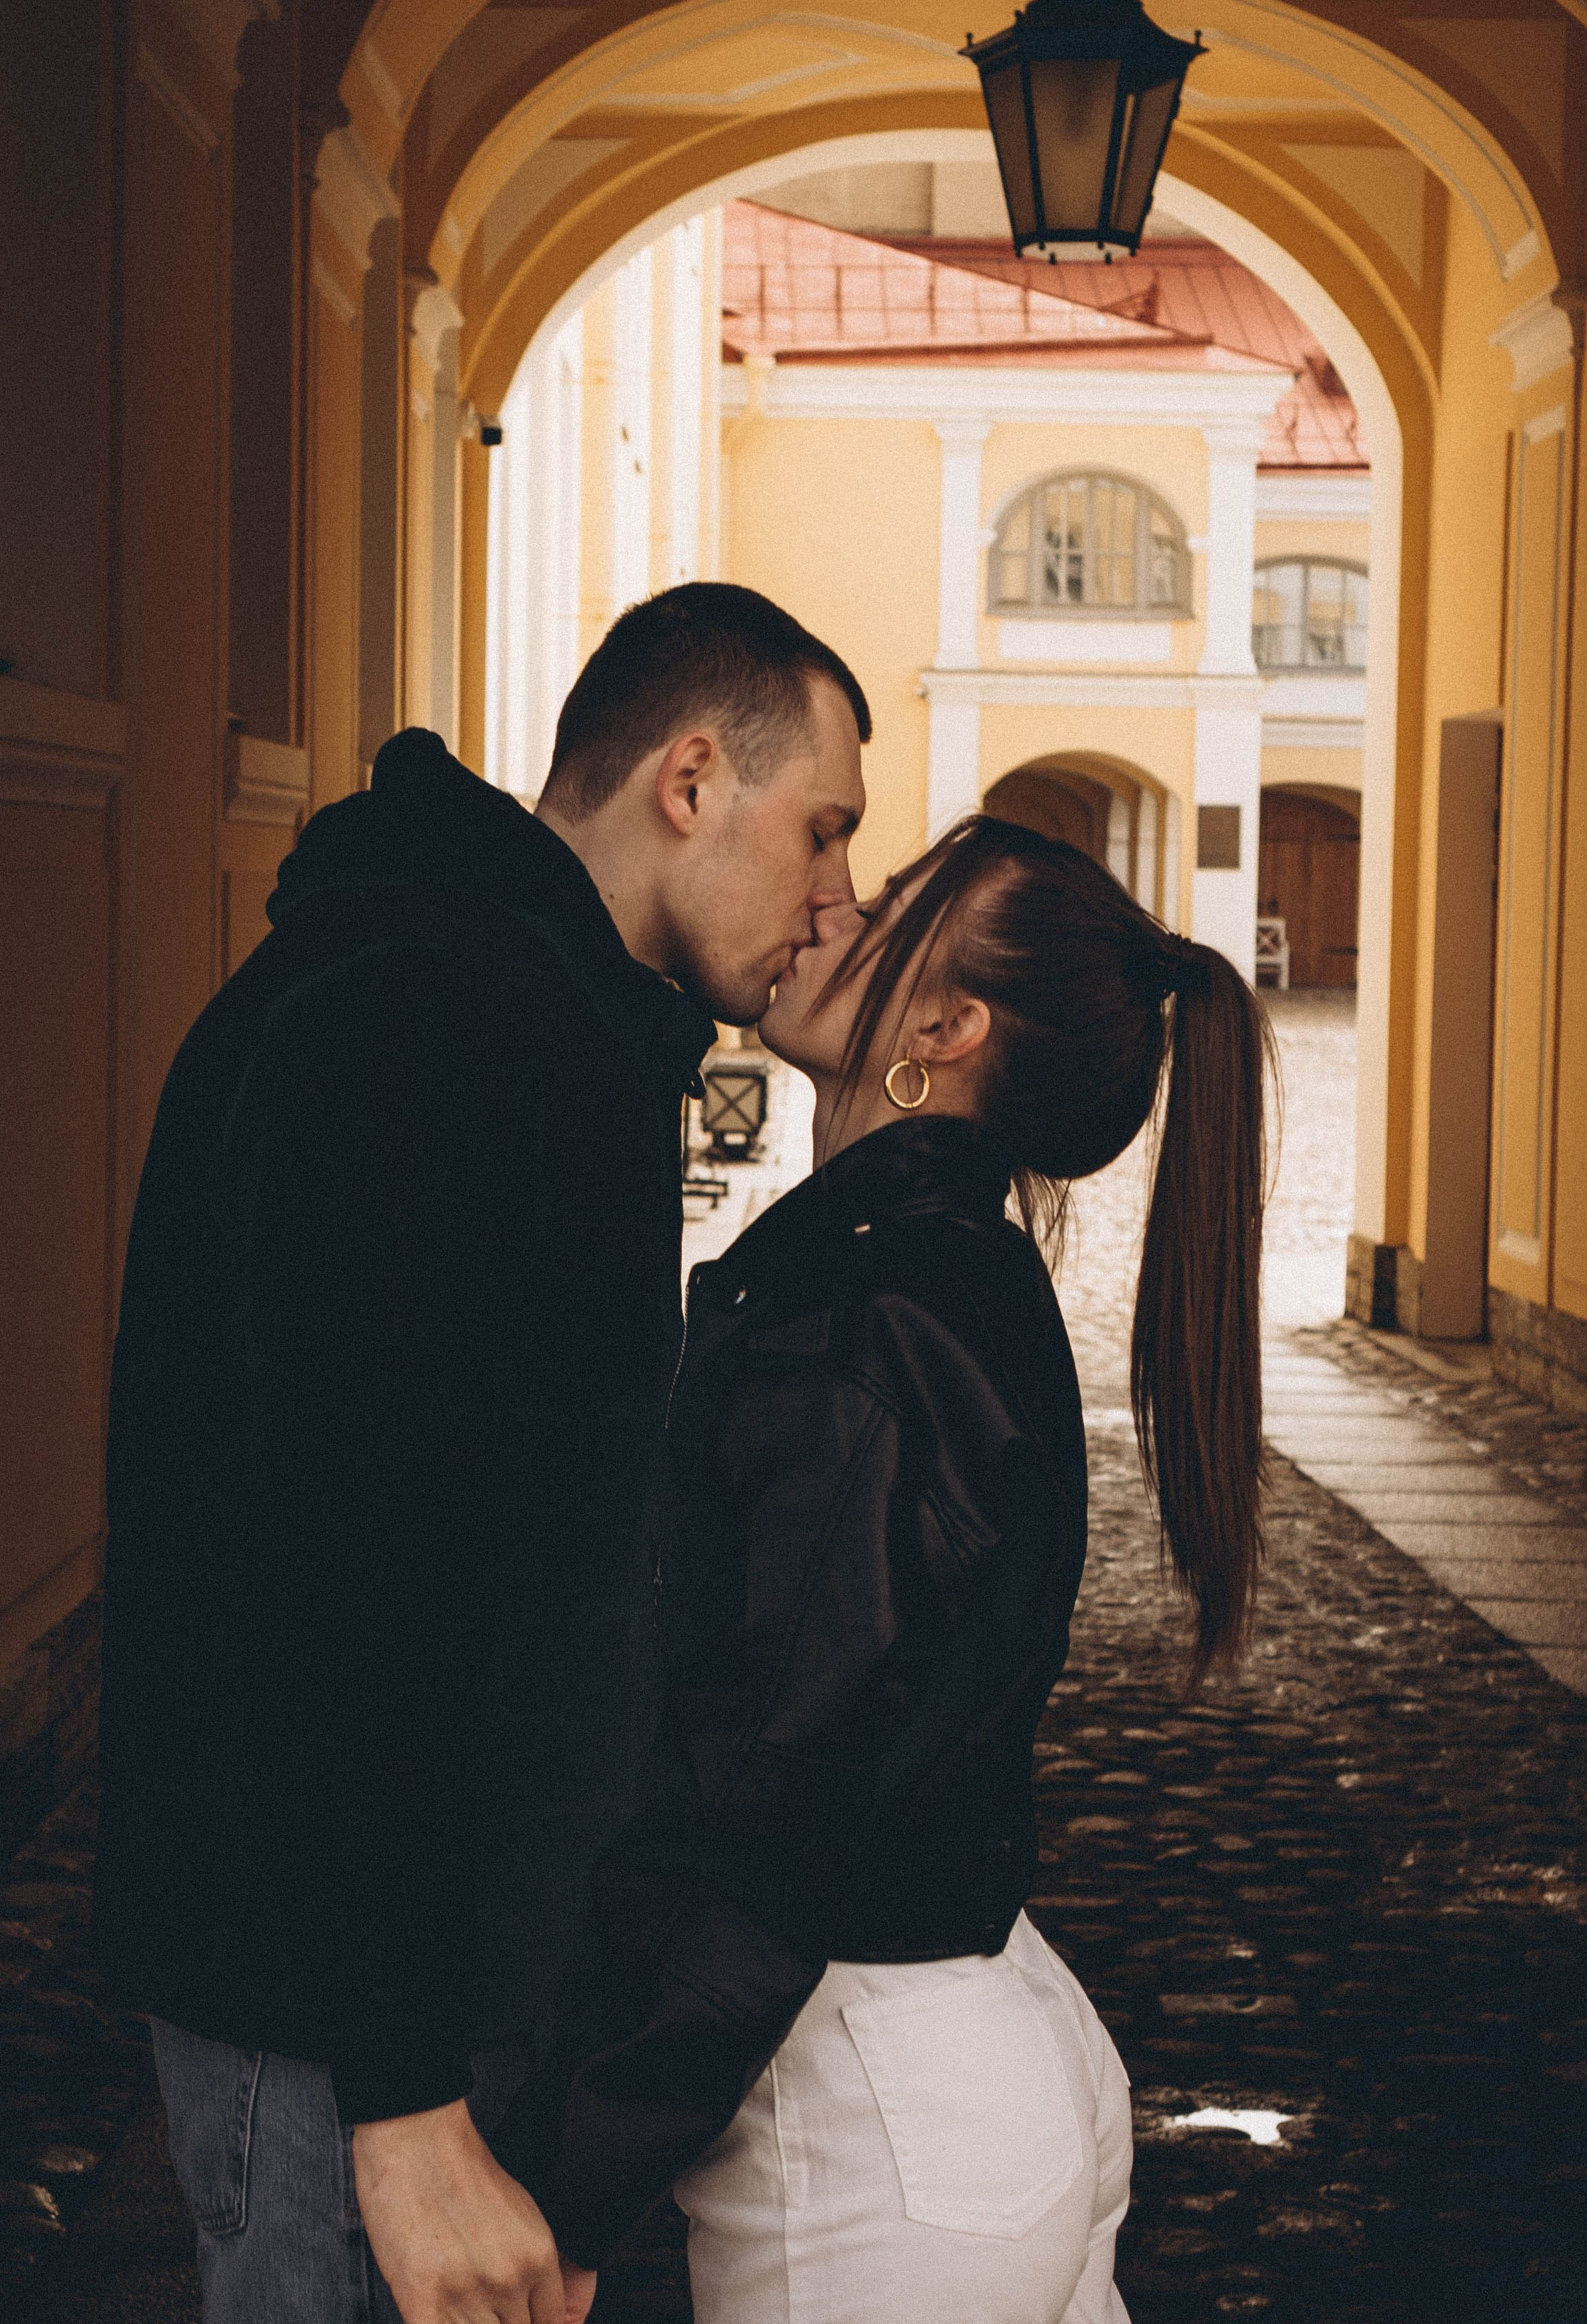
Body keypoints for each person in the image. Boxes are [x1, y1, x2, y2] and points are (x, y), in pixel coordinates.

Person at [94, 583, 871, 2324]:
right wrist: (405, 2100)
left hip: (421, 1990)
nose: (838, 899)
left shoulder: (528, 1016)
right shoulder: (430, 1029)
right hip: (340, 2021)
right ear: (687, 781)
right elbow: (335, 1585)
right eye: (819, 832)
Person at [497, 811, 1273, 2324]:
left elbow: (768, 1791)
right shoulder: (936, 1280)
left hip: (881, 2130)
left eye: (893, 896)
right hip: (975, 2064)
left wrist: (562, 2180)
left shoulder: (866, 1314)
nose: (835, 904)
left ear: (945, 1022)